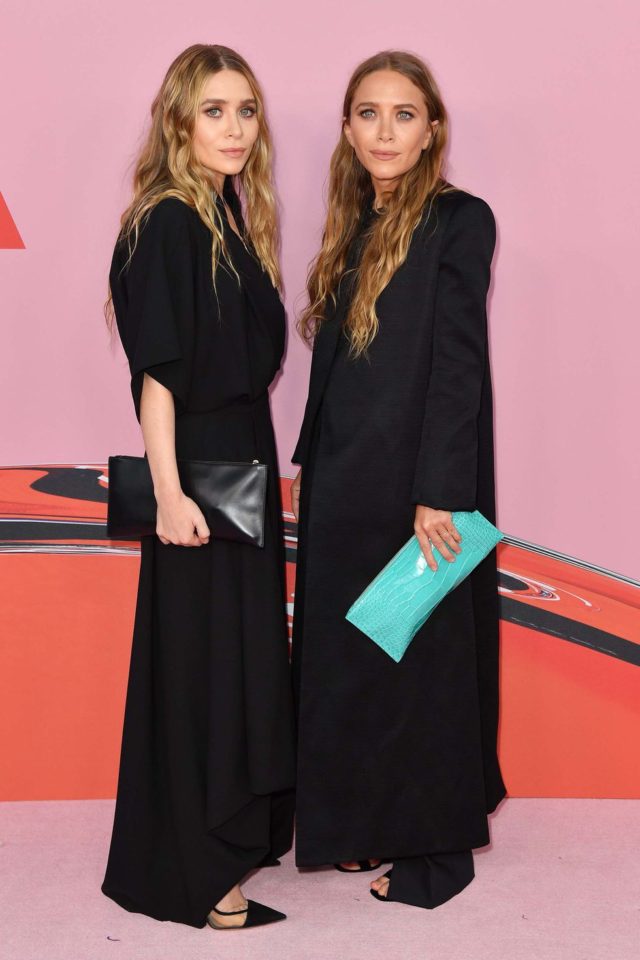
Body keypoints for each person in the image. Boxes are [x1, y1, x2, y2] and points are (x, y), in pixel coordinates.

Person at [290, 49, 506, 910]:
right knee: (352, 660)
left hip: (419, 487)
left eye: (404, 114)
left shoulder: (460, 219)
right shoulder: (355, 221)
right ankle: (358, 825)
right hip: (344, 478)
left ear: (431, 130)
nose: (385, 130)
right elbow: (338, 367)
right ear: (348, 130)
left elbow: (459, 363)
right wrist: (309, 460)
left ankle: (435, 856)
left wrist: (441, 491)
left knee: (422, 666)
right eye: (369, 113)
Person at [101, 43, 296, 931]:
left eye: (246, 110)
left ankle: (226, 841)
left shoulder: (225, 213)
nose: (234, 127)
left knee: (234, 659)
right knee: (203, 666)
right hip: (198, 476)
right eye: (214, 110)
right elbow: (158, 376)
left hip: (241, 465)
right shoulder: (168, 222)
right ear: (179, 120)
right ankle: (203, 873)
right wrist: (171, 494)